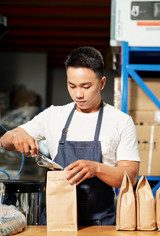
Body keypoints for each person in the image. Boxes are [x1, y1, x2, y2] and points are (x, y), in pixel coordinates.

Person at [0, 46, 140, 226]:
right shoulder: (53, 115)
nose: (78, 94)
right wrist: (16, 136)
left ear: (102, 83)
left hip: (99, 225)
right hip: (55, 222)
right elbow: (5, 141)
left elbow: (131, 175)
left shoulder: (120, 121)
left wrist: (96, 168)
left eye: (86, 86)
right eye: (72, 86)